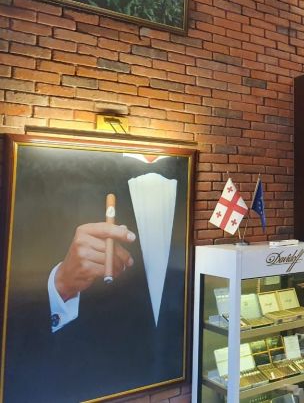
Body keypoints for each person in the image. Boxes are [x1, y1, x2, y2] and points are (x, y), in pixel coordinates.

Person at [2, 143, 189, 402]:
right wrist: (62, 287)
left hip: (181, 374)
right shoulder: (52, 169)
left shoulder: (195, 173)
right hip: (89, 382)